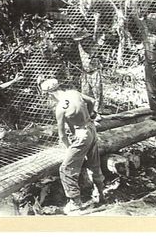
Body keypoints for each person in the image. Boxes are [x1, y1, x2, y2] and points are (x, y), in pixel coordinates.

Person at [40, 78, 105, 214]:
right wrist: (92, 114)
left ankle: (75, 203)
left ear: (49, 94)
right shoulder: (74, 93)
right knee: (94, 163)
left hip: (82, 135)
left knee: (66, 169)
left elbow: (62, 135)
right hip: (91, 129)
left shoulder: (60, 109)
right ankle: (100, 194)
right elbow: (92, 101)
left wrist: (69, 148)